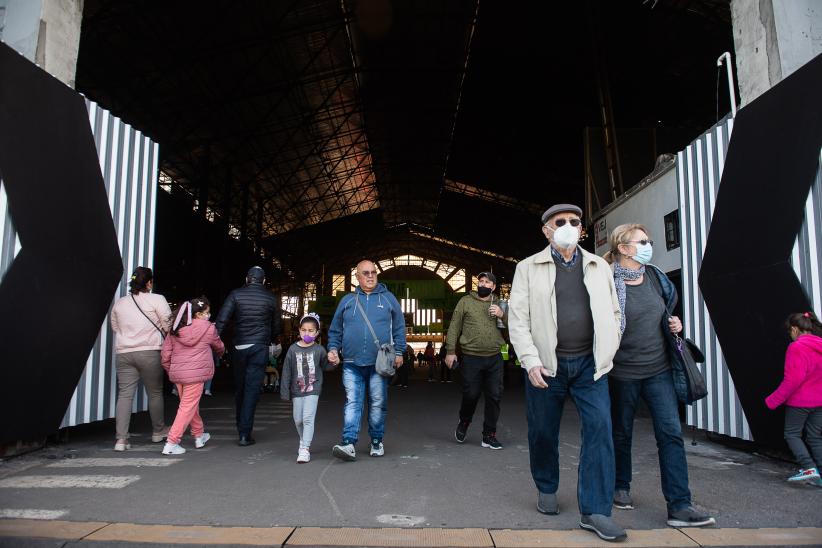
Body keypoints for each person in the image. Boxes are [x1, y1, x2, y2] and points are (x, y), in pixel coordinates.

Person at [508, 204, 626, 542]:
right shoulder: (527, 268)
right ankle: (546, 485)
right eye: (561, 222)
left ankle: (596, 511)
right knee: (543, 431)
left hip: (591, 365)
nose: (569, 226)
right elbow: (518, 320)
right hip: (547, 365)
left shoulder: (598, 266)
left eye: (575, 222)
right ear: (546, 230)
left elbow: (615, 311)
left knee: (600, 429)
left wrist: (610, 347)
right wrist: (530, 360)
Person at [603, 223, 715, 528]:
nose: (648, 245)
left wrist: (675, 324)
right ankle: (620, 486)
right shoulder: (606, 281)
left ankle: (679, 505)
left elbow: (667, 309)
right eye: (642, 241)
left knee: (670, 434)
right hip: (622, 372)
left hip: (659, 370)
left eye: (648, 240)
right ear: (624, 248)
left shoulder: (654, 276)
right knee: (621, 433)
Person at [327, 259, 406, 461]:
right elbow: (335, 329)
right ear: (357, 277)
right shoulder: (347, 301)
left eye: (373, 272)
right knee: (353, 403)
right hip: (352, 362)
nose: (370, 276)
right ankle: (348, 443)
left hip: (379, 363)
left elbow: (398, 328)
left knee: (378, 403)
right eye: (366, 273)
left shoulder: (388, 298)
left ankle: (377, 441)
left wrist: (399, 352)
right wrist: (333, 348)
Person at [216, 266, 282, 446]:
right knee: (252, 390)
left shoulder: (235, 294)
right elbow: (277, 324)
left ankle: (240, 425)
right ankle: (245, 433)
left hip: (239, 346)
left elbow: (222, 319)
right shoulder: (270, 298)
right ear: (264, 281)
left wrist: (214, 342)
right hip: (259, 347)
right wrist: (275, 339)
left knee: (240, 387)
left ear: (247, 279)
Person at [110, 267, 172, 451]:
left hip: (124, 353)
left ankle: (121, 440)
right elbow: (168, 324)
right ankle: (158, 432)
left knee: (125, 394)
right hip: (150, 351)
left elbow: (115, 327)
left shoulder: (120, 303)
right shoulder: (157, 299)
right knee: (154, 392)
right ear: (149, 283)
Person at [445, 271, 507, 449]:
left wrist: (503, 315)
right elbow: (454, 325)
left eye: (487, 282)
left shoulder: (500, 304)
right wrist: (450, 351)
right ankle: (464, 421)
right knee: (471, 394)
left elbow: (516, 325)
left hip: (495, 357)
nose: (483, 284)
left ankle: (489, 434)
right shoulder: (465, 302)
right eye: (481, 281)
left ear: (493, 287)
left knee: (494, 396)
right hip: (472, 357)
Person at [160, 297, 225, 455]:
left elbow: (165, 354)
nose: (208, 315)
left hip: (179, 374)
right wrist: (221, 352)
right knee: (187, 407)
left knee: (189, 405)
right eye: (206, 313)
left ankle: (199, 435)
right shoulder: (208, 328)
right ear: (198, 314)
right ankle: (172, 442)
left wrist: (172, 370)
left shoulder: (175, 328)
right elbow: (219, 346)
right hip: (196, 374)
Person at [766, 311, 822, 486]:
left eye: (790, 332)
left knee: (792, 434)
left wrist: (773, 400)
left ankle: (808, 467)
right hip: (820, 401)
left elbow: (793, 379)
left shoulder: (797, 347)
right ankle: (820, 475)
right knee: (814, 437)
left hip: (800, 402)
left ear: (795, 329)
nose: (790, 336)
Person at [280, 313, 332, 463]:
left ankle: (305, 449)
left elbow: (326, 367)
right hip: (297, 390)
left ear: (316, 333)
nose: (306, 333)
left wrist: (334, 362)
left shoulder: (320, 350)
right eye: (303, 330)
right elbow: (287, 371)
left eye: (310, 330)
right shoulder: (292, 349)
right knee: (298, 420)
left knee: (308, 418)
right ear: (299, 331)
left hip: (313, 389)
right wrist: (285, 391)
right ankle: (303, 441)